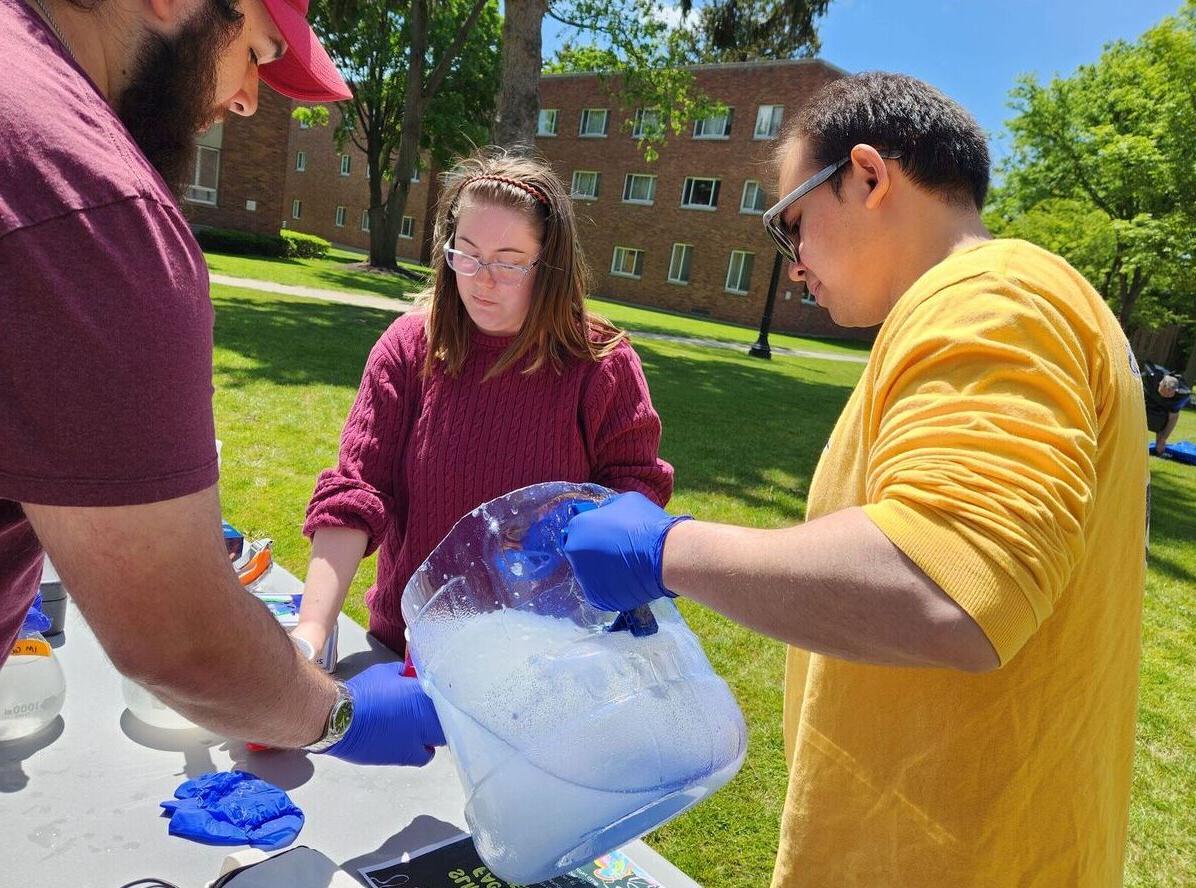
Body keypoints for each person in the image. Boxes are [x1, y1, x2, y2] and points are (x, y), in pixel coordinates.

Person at [562, 73, 1148, 886]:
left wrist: (667, 551)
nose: (794, 265)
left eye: (791, 224)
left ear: (869, 177)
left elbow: (948, 587)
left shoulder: (990, 297)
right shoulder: (991, 303)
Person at [1, 0, 443, 765]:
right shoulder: (95, 202)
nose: (246, 98)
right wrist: (337, 714)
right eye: (258, 54)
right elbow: (178, 638)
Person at [292, 150, 673, 659]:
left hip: (543, 661)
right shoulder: (409, 348)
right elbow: (355, 494)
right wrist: (311, 633)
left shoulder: (600, 364)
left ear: (550, 265)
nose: (481, 279)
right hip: (409, 650)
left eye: (509, 263)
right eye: (466, 254)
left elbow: (635, 497)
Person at [1141, 361, 1191, 455]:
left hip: (1161, 412)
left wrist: (1163, 439)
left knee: (1160, 422)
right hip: (1145, 401)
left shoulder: (1180, 395)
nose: (1166, 396)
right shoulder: (1149, 378)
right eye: (1164, 393)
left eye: (1169, 395)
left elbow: (1172, 418)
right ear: (1160, 384)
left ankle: (1159, 447)